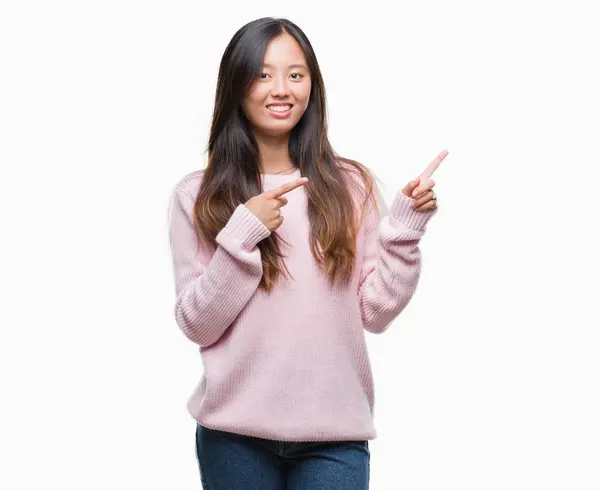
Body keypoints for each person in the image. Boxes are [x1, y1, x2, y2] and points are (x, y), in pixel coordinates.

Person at [168, 16, 446, 490]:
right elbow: (198, 323)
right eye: (263, 74)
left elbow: (375, 313)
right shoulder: (198, 196)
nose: (281, 89)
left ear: (312, 87)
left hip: (334, 438)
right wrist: (242, 235)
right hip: (233, 437)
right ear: (236, 86)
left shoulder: (349, 185)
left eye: (296, 75)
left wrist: (403, 230)